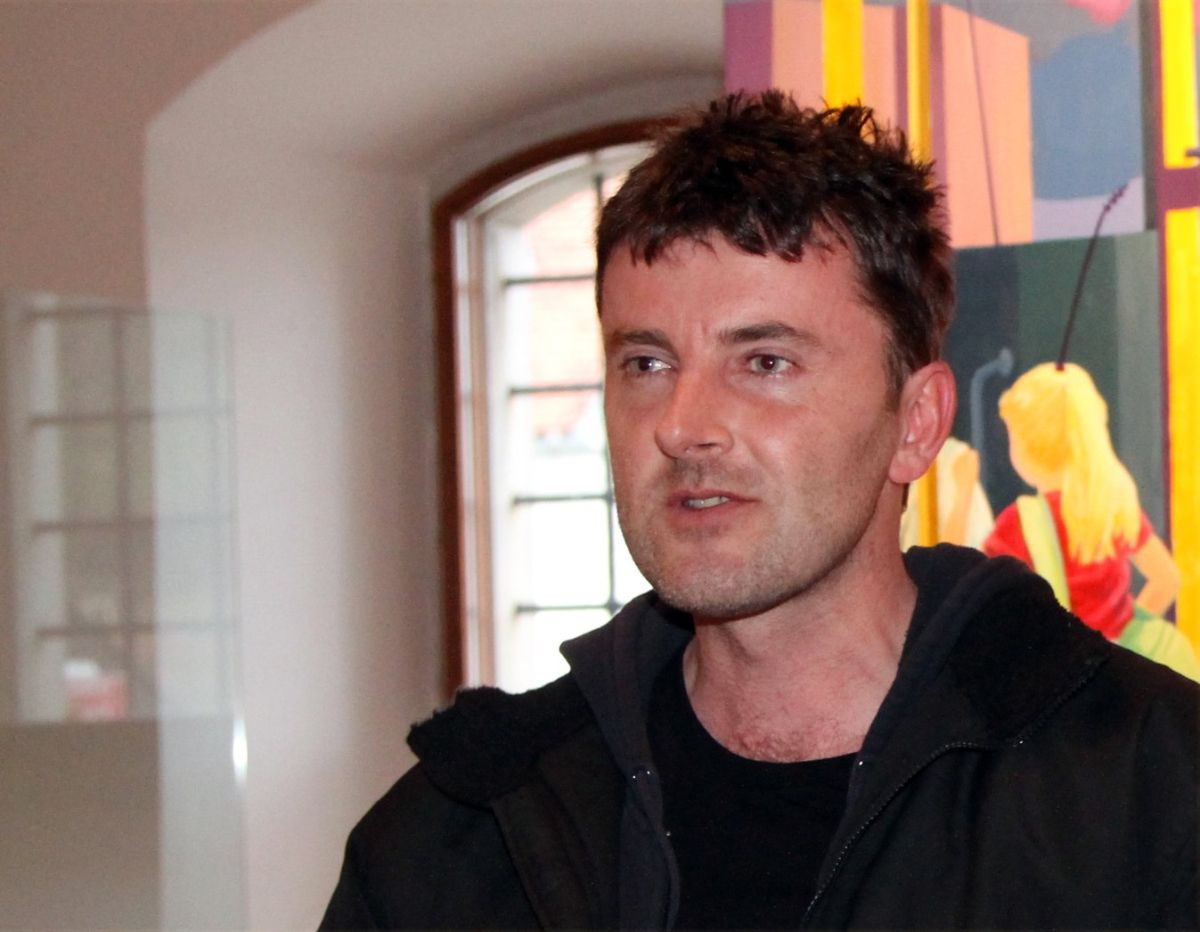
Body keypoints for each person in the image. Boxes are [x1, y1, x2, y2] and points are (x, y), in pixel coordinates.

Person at [320, 92, 1197, 930]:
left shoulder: (1150, 796)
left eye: (765, 362)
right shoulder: (466, 832)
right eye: (646, 364)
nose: (681, 426)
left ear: (917, 424)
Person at [984, 361, 1200, 680]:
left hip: (1059, 675)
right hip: (1116, 673)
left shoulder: (1018, 524)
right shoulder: (1110, 505)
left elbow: (990, 602)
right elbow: (1167, 578)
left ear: (1028, 446)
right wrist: (1119, 639)